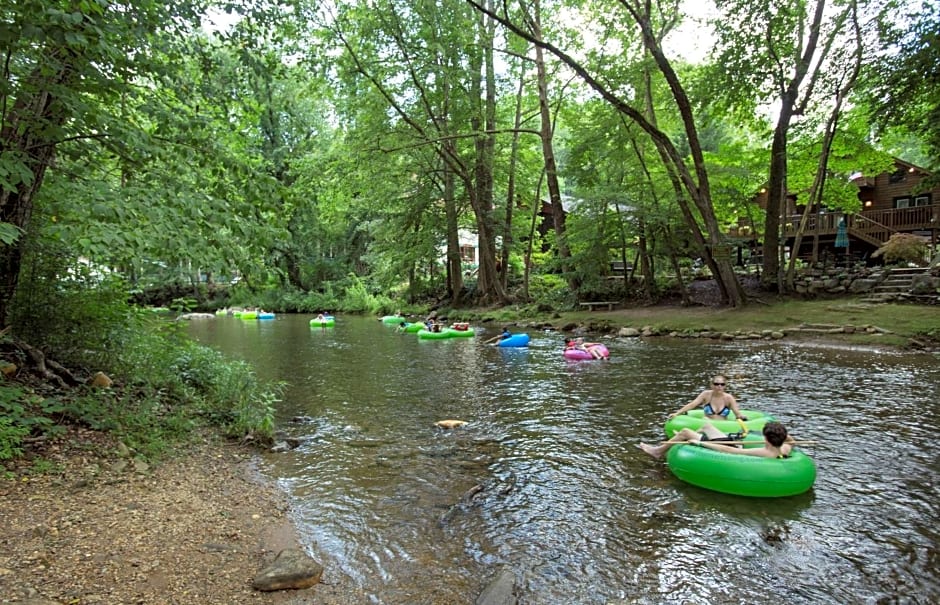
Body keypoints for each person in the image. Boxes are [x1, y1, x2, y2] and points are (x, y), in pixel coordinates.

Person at [638, 421, 794, 459]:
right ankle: (687, 435)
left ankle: (658, 451)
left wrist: (699, 443)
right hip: (733, 444)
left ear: (766, 438)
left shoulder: (763, 452)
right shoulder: (784, 450)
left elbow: (729, 450)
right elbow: (790, 442)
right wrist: (783, 435)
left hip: (729, 448)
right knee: (707, 426)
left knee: (686, 432)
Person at [668, 375, 747, 420]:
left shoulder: (729, 398)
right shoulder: (706, 394)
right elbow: (692, 404)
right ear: (712, 385)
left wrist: (741, 417)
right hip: (706, 422)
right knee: (705, 420)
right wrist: (677, 413)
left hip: (723, 426)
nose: (719, 386)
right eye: (716, 384)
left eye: (722, 384)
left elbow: (737, 413)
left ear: (725, 386)